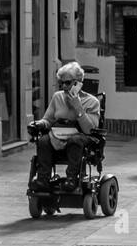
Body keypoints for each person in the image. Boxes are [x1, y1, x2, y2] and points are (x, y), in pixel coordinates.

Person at [30, 62, 102, 192]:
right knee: (43, 141)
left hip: (81, 137)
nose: (64, 86)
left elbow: (89, 130)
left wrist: (78, 107)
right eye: (61, 83)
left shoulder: (92, 102)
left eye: (67, 83)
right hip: (58, 134)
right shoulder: (57, 97)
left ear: (78, 83)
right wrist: (39, 123)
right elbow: (48, 119)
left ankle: (72, 179)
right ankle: (43, 180)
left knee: (75, 140)